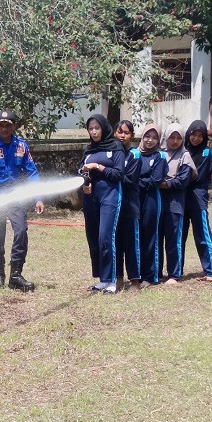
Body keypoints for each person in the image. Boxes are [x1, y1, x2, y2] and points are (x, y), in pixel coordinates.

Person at [0, 109, 44, 292]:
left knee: (21, 232)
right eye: (0, 125)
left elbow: (32, 172)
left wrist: (38, 198)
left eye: (8, 125)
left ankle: (16, 276)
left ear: (14, 126)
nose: (4, 128)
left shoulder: (21, 146)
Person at [80, 114, 125, 294]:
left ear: (104, 128)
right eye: (91, 129)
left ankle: (112, 279)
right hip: (91, 198)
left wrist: (98, 167)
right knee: (93, 238)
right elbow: (81, 169)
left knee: (105, 237)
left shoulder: (116, 147)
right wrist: (85, 182)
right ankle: (102, 279)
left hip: (110, 196)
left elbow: (119, 174)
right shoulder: (89, 150)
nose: (94, 132)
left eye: (97, 128)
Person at [158, 124, 195, 285]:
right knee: (157, 238)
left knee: (173, 239)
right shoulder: (159, 154)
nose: (174, 141)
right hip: (158, 203)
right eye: (172, 137)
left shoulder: (185, 156)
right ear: (165, 137)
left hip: (175, 203)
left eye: (178, 138)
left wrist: (164, 184)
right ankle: (156, 272)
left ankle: (174, 274)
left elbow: (183, 180)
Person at [181, 120, 212, 281]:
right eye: (193, 135)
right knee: (179, 236)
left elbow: (198, 175)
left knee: (202, 234)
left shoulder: (205, 152)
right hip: (181, 198)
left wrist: (178, 180)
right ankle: (176, 271)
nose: (196, 138)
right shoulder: (182, 150)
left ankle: (211, 270)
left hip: (197, 198)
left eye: (199, 135)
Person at [136, 123, 167, 287]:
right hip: (135, 200)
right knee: (137, 236)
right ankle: (138, 274)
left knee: (150, 236)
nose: (150, 140)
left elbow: (155, 180)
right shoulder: (135, 153)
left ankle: (151, 275)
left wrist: (135, 182)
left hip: (151, 200)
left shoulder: (160, 156)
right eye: (147, 136)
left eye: (154, 138)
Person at [113, 121, 142, 289]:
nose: (122, 135)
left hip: (130, 205)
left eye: (126, 132)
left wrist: (111, 174)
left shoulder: (135, 155)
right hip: (115, 205)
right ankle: (118, 278)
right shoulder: (114, 153)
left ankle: (135, 280)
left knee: (131, 243)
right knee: (115, 243)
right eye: (119, 132)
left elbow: (129, 179)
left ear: (132, 135)